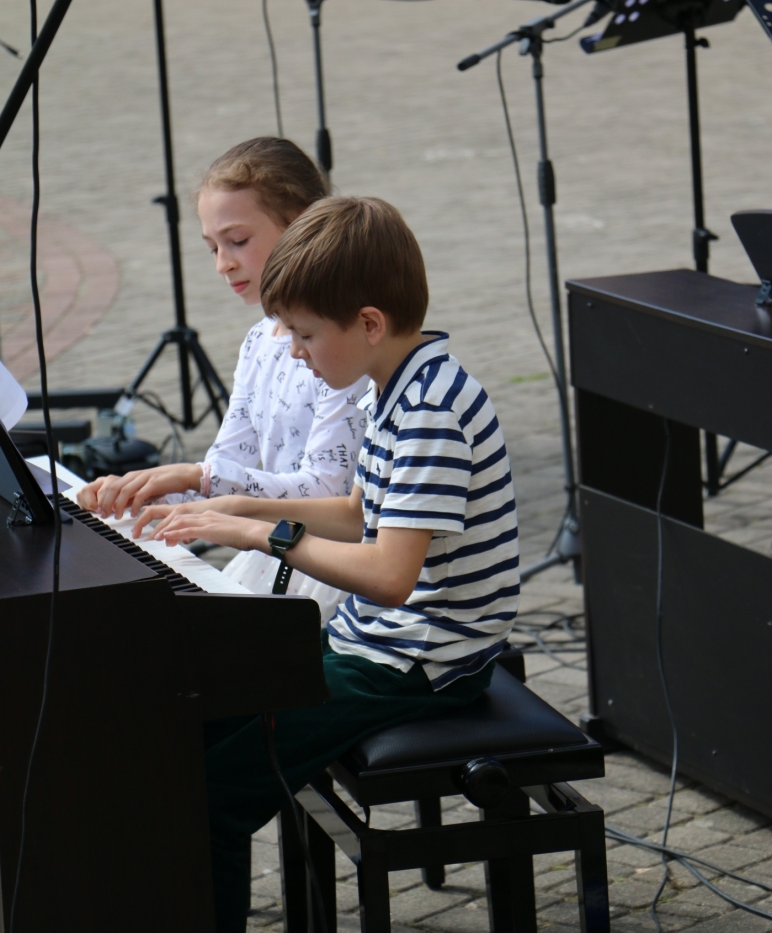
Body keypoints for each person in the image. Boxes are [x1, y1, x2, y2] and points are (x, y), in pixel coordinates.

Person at [135, 195, 521, 933]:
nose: (293, 351)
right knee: (195, 718)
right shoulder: (396, 385)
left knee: (215, 796)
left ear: (369, 323)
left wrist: (267, 537)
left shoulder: (432, 412)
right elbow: (357, 511)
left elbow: (389, 576)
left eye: (305, 333)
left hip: (418, 660)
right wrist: (238, 509)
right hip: (377, 640)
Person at [77, 138, 368, 620]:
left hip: (331, 566)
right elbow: (229, 466)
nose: (222, 264)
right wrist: (141, 495)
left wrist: (198, 476)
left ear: (302, 224)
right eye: (213, 247)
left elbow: (327, 494)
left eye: (238, 241)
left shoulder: (342, 343)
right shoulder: (260, 340)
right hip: (276, 549)